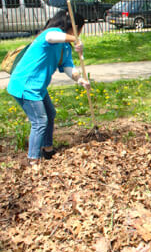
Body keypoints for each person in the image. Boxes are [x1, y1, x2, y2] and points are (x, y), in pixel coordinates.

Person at [7, 10, 90, 167]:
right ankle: (33, 159)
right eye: (79, 30)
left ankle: (47, 148)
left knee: (50, 114)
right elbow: (50, 37)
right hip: (25, 84)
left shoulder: (65, 46)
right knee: (40, 120)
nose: (79, 33)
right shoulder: (53, 33)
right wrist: (75, 39)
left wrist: (80, 80)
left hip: (38, 87)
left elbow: (67, 68)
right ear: (74, 27)